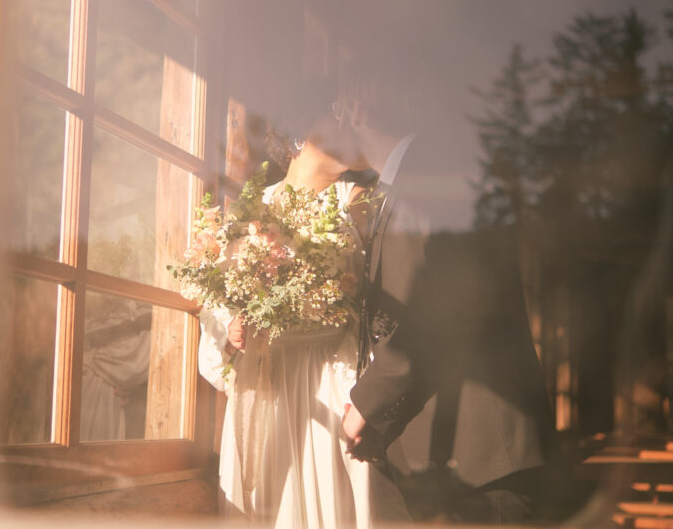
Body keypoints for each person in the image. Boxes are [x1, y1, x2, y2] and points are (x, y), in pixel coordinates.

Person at [337, 71, 557, 523]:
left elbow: (445, 306)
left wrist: (368, 404)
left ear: (358, 110)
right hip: (439, 459)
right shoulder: (404, 181)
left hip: (482, 463)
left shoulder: (439, 170)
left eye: (337, 111)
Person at [198, 107, 408, 528]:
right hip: (268, 381)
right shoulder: (253, 209)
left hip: (337, 379)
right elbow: (216, 303)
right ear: (299, 136)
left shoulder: (362, 204)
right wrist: (231, 331)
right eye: (334, 117)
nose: (350, 127)